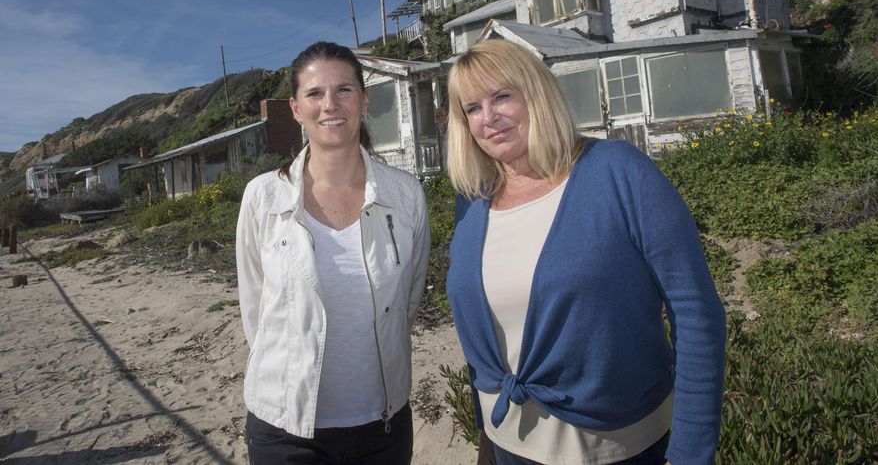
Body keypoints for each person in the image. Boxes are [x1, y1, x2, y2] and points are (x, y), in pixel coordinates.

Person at [444, 40, 726, 465]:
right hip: (508, 448)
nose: (489, 118)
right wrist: (486, 438)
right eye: (472, 108)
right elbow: (483, 339)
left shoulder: (618, 171)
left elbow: (697, 314)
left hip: (618, 449)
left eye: (502, 96)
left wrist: (690, 452)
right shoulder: (472, 203)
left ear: (536, 94)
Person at [236, 41, 430, 465]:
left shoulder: (406, 194)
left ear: (364, 99)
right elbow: (255, 309)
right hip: (284, 430)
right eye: (315, 93)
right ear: (294, 107)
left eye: (344, 90)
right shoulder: (263, 196)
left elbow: (407, 299)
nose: (330, 105)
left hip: (383, 424)